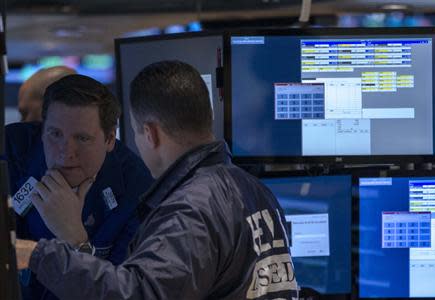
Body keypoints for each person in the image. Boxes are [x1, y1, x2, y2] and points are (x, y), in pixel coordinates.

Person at [17, 61, 298, 299]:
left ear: (150, 133)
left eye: (137, 133)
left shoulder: (192, 208)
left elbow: (139, 294)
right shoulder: (255, 190)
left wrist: (38, 255)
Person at [7, 74, 153, 300]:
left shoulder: (138, 189)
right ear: (42, 129)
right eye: (55, 134)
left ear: (109, 139)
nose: (66, 152)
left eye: (82, 138)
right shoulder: (11, 152)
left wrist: (76, 242)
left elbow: (126, 294)